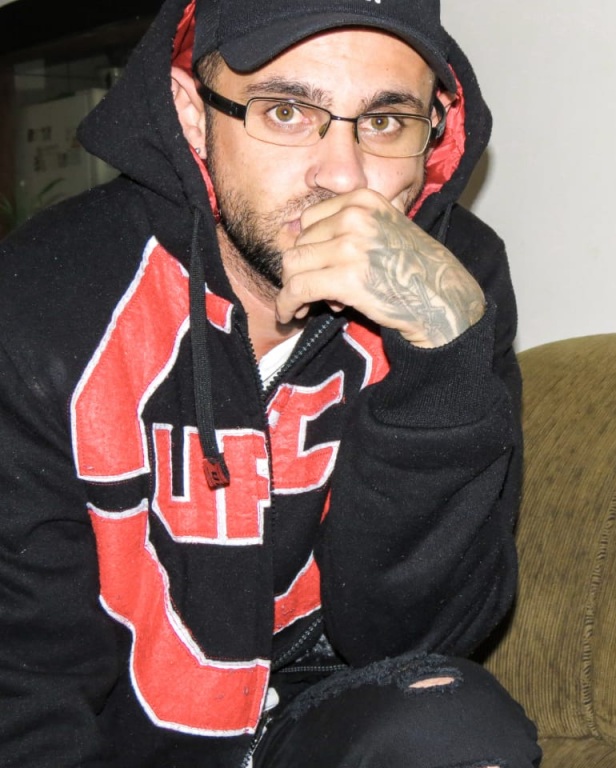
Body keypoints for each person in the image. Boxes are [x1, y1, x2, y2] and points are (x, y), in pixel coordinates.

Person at [0, 0, 541, 765]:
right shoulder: (41, 306)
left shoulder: (450, 286)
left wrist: (444, 359)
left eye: (386, 121)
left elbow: (421, 643)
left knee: (450, 731)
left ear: (437, 126)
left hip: (309, 725)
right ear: (192, 113)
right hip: (116, 743)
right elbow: (23, 692)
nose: (343, 175)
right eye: (287, 111)